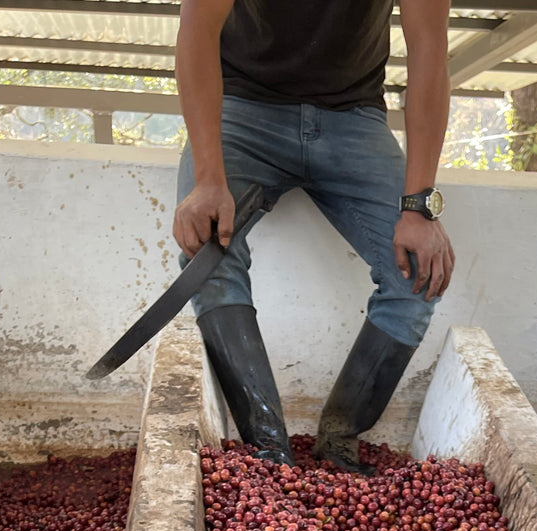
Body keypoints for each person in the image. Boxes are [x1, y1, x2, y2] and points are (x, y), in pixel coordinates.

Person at [173, 0, 456, 473]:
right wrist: (208, 180)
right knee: (206, 252)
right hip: (243, 108)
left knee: (418, 271)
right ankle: (269, 454)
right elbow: (196, 29)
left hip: (354, 118)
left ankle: (339, 441)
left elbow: (430, 51)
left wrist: (419, 205)